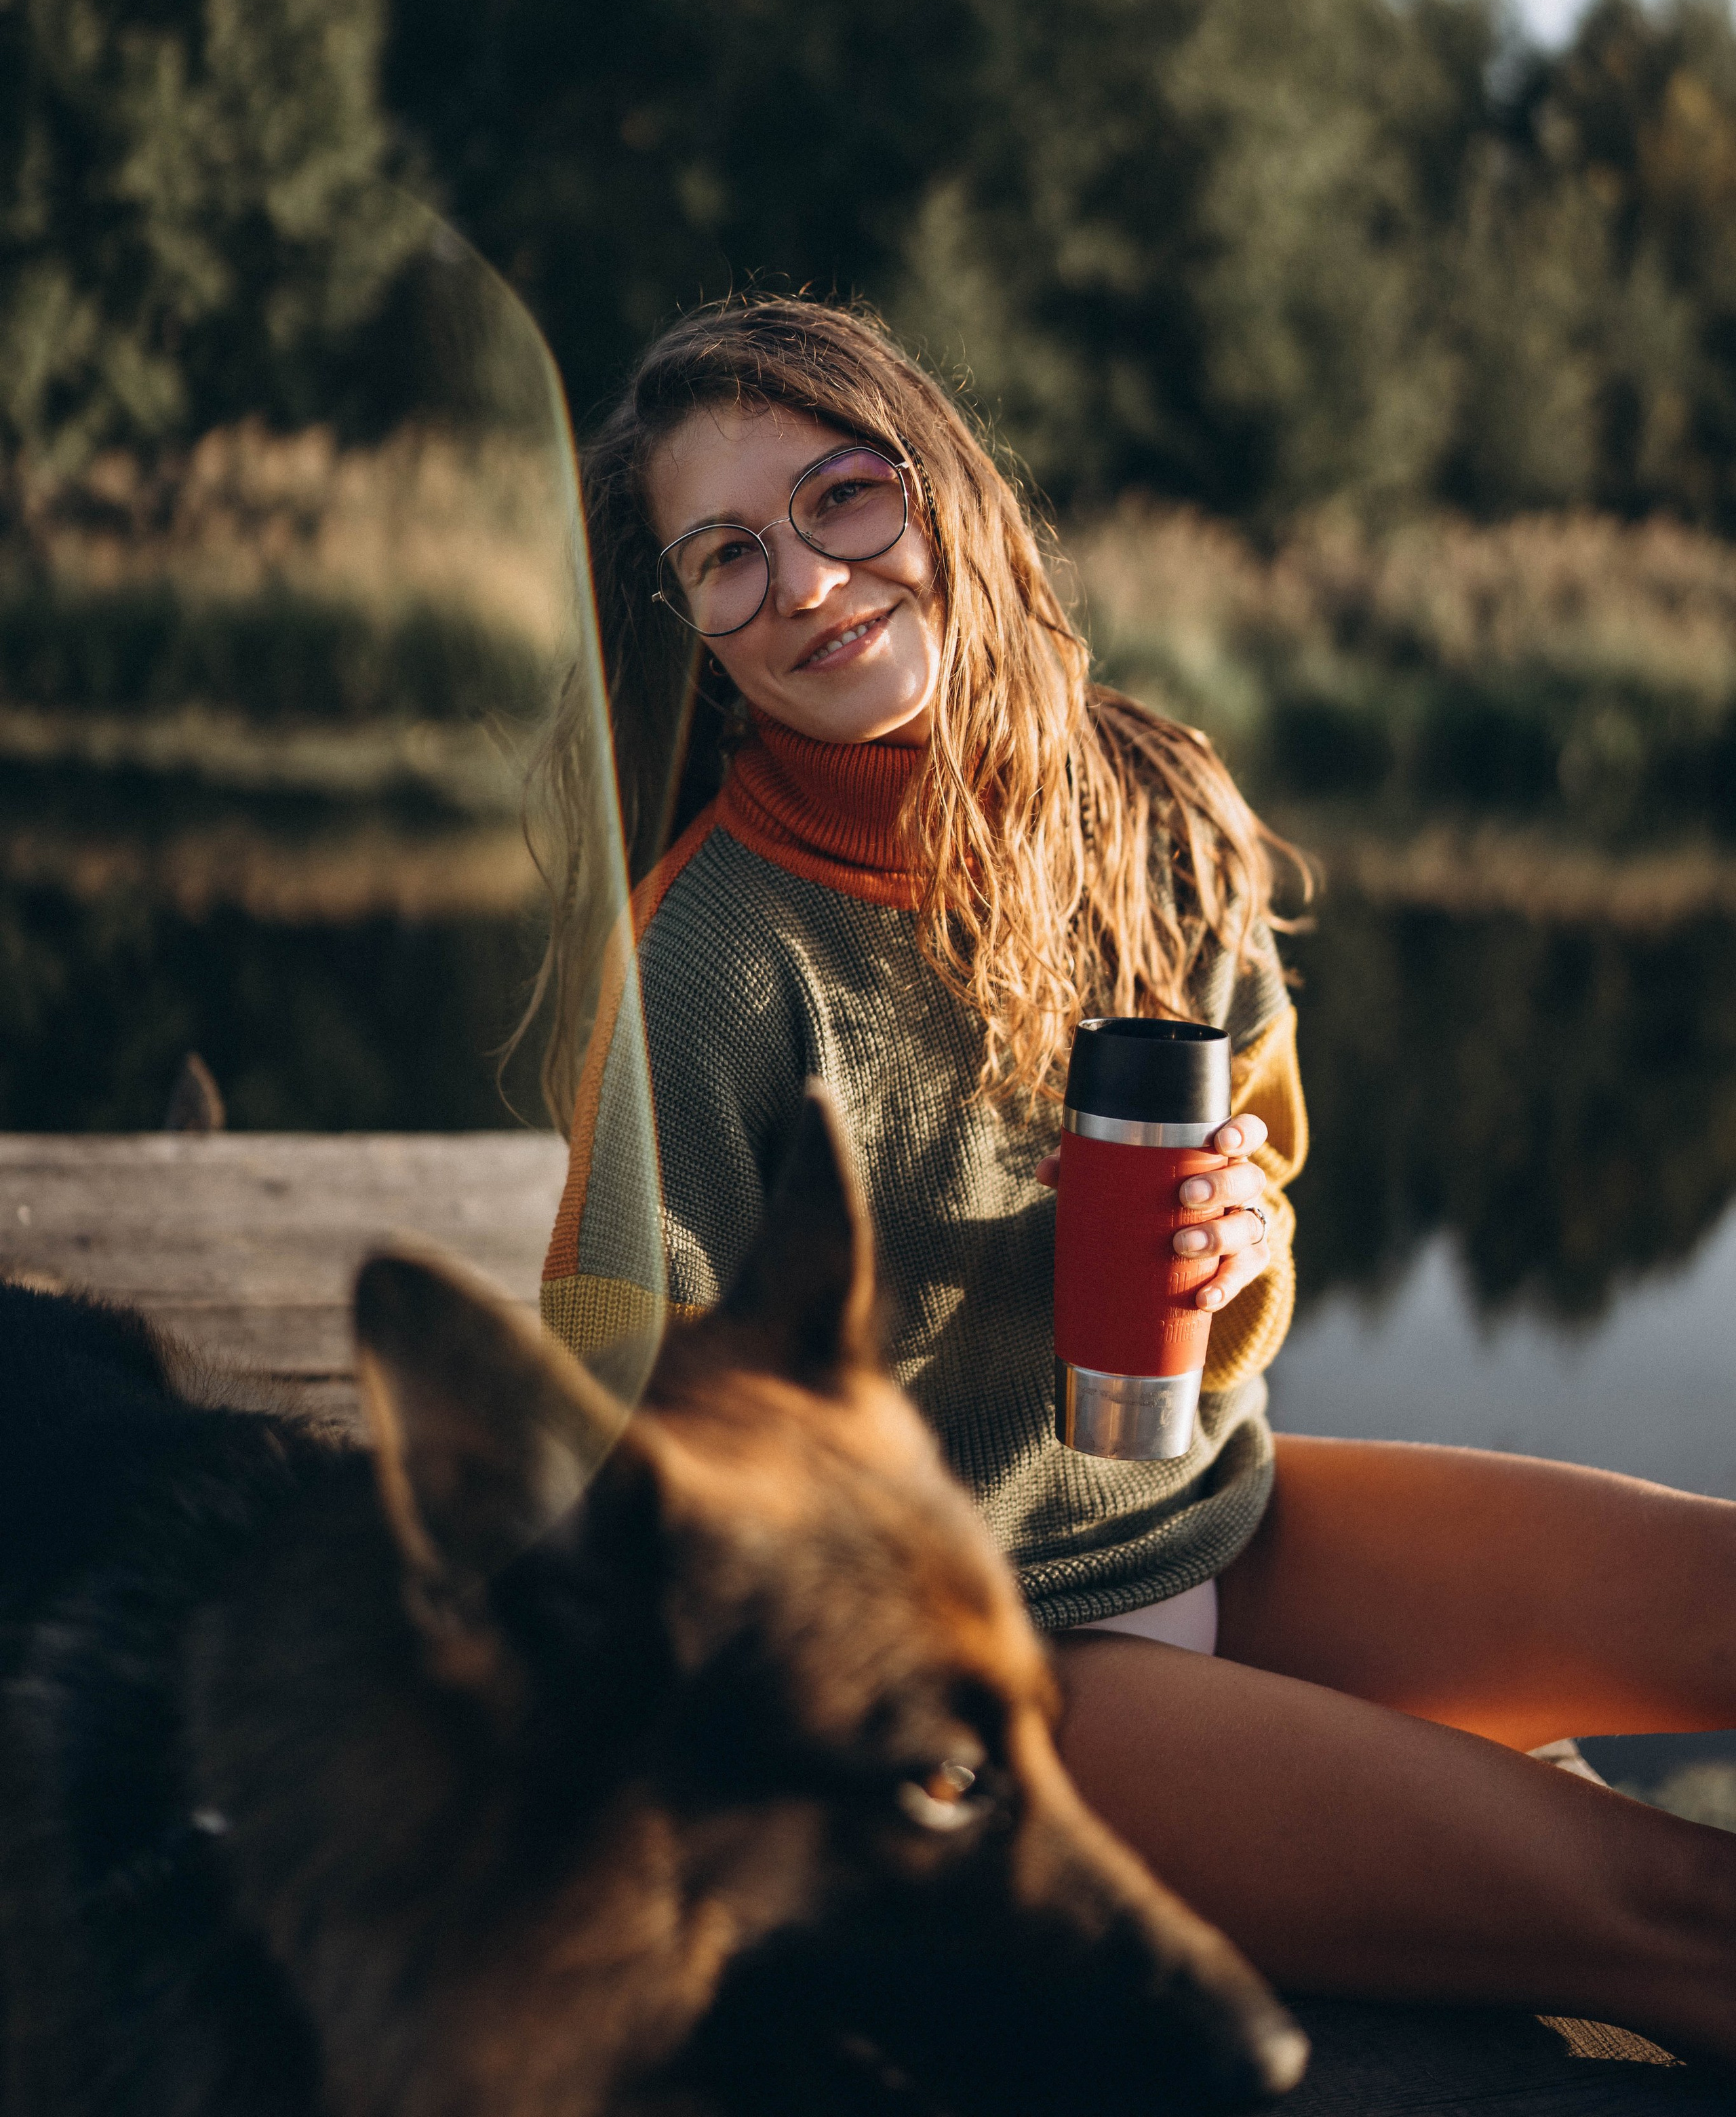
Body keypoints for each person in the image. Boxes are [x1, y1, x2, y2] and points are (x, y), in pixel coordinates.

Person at [529, 296, 1736, 2058]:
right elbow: (610, 1427)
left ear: (946, 492)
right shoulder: (702, 963)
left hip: (1212, 1518)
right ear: (693, 629)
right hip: (992, 1680)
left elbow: (1263, 1183)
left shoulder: (1153, 806)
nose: (804, 581)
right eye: (726, 557)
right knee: (1685, 1909)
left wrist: (1239, 1258)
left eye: (843, 497)